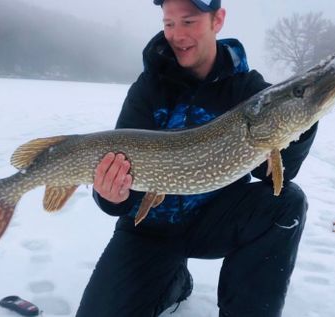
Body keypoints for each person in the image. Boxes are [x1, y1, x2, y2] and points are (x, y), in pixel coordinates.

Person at [76, 0, 318, 316]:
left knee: (285, 202)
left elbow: (275, 173)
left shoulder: (247, 89)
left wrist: (303, 120)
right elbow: (117, 170)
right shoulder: (148, 88)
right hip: (148, 229)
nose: (177, 34)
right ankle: (172, 282)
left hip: (214, 220)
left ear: (217, 19)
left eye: (188, 21)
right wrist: (110, 196)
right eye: (169, 23)